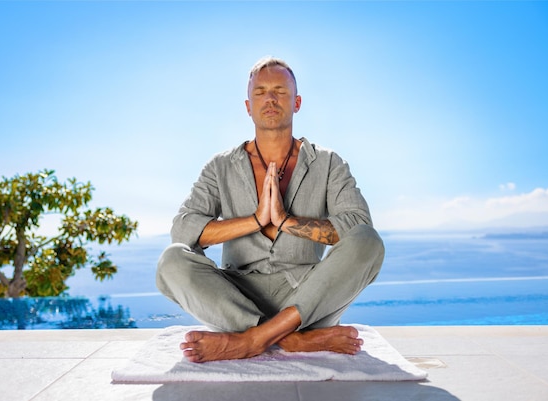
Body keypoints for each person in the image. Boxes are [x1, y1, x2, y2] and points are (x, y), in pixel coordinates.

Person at [156, 56, 384, 363]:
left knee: (368, 240)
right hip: (236, 298)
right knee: (172, 261)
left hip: (308, 296)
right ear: (248, 106)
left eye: (280, 90)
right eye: (261, 92)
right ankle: (294, 341)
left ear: (297, 102)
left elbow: (357, 224)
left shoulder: (329, 163)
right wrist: (255, 220)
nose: (271, 99)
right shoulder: (220, 166)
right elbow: (183, 230)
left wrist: (286, 221)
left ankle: (251, 340)